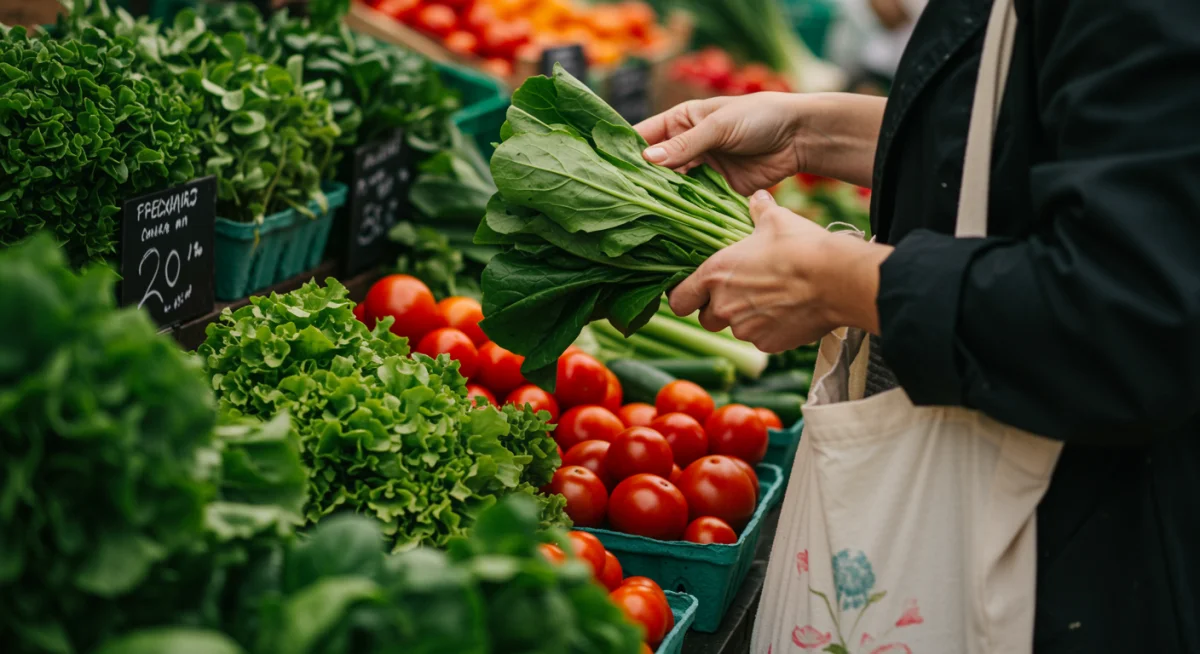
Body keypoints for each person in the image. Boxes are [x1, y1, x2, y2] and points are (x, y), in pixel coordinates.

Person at [635, 0, 1200, 651]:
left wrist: (838, 281)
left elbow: (1127, 314)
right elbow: (1054, 134)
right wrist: (810, 131)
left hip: (1097, 558)